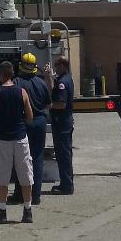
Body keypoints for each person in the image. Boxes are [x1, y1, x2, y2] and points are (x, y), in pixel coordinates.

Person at [0, 60, 34, 224]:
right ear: (12, 74)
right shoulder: (22, 92)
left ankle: (2, 211)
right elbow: (30, 116)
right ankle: (27, 211)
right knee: (25, 174)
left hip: (4, 138)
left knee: (2, 175)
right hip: (21, 137)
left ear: (0, 75)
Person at [13, 51, 52, 205]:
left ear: (21, 67)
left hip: (23, 123)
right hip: (40, 122)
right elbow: (49, 104)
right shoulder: (41, 83)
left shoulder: (17, 82)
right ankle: (35, 196)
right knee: (37, 158)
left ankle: (19, 194)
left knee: (21, 160)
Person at [49, 53, 75, 195]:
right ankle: (67, 182)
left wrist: (49, 106)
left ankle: (66, 185)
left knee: (63, 154)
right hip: (64, 122)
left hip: (62, 123)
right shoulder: (64, 79)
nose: (55, 68)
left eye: (57, 65)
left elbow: (61, 104)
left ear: (63, 65)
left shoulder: (63, 82)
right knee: (65, 153)